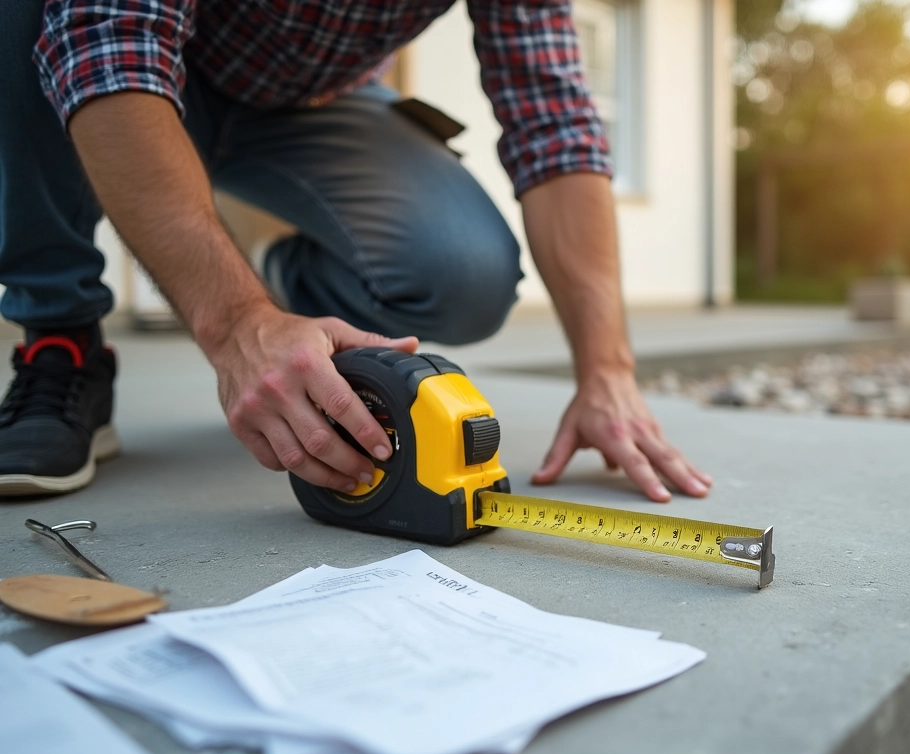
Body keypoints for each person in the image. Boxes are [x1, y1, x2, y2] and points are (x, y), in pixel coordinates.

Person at [0, 0, 712, 503]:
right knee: (29, 16)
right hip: (144, 70)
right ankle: (60, 338)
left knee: (464, 272)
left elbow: (552, 119)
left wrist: (607, 369)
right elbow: (109, 37)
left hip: (314, 105)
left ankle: (291, 290)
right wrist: (238, 324)